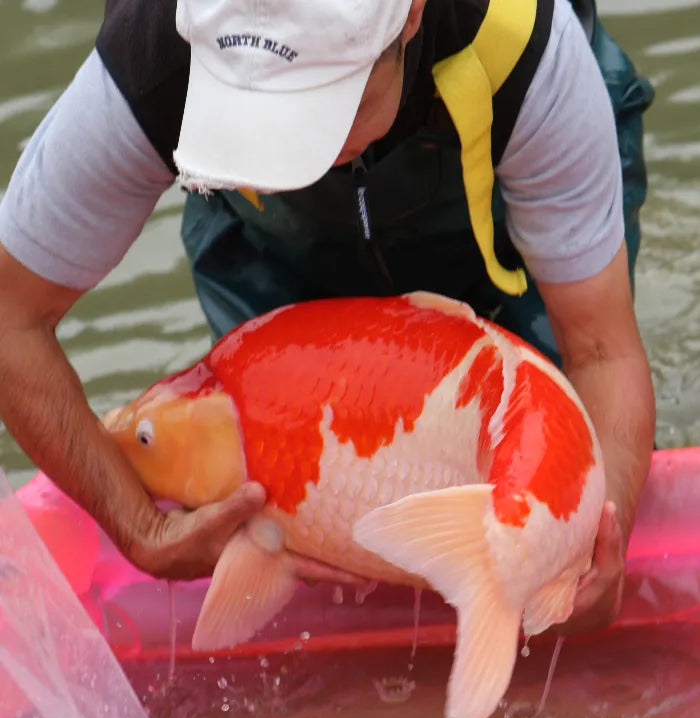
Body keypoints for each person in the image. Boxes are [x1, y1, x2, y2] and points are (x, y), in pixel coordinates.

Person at [0, 0, 655, 633]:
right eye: (269, 112)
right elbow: (10, 320)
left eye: (327, 107)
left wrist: (596, 542)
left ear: (413, 13)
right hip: (272, 236)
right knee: (271, 479)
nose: (304, 147)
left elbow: (601, 351)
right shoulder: (151, 59)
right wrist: (139, 530)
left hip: (497, 196)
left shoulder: (526, 49)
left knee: (562, 481)